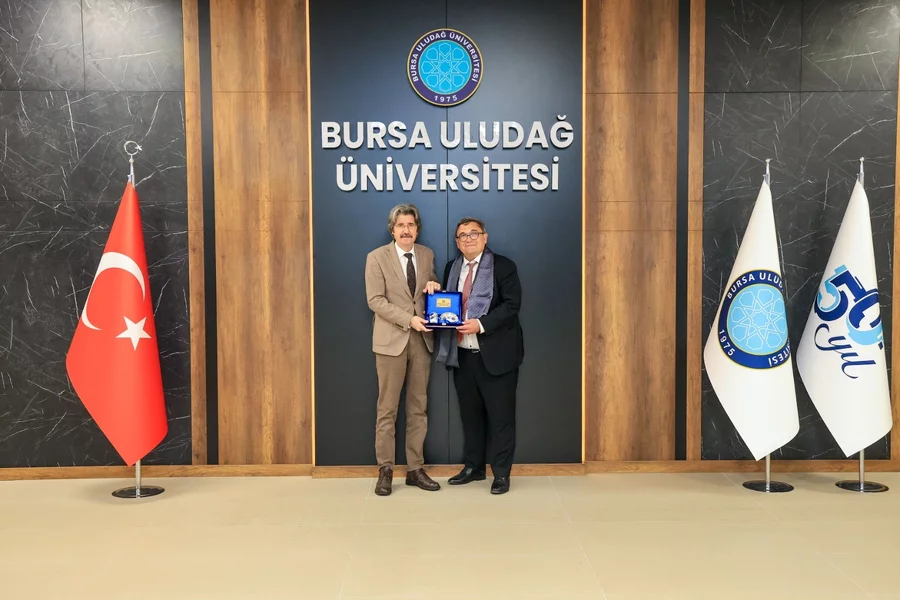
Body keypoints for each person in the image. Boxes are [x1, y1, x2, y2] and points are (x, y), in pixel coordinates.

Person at [435, 217, 524, 495]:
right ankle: (474, 467)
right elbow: (446, 303)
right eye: (462, 235)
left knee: (501, 418)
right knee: (470, 417)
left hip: (497, 356)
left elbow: (512, 305)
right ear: (457, 242)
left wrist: (481, 324)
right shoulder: (451, 268)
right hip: (462, 355)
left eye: (474, 233)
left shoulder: (504, 266)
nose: (468, 239)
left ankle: (501, 474)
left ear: (485, 237)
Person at [364, 203, 442, 496]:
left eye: (410, 225)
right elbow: (375, 300)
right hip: (390, 342)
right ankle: (385, 469)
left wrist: (434, 286)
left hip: (422, 341)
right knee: (387, 409)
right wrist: (408, 319)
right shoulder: (376, 257)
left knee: (418, 407)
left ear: (417, 229)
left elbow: (429, 288)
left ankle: (415, 469)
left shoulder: (426, 254)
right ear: (392, 230)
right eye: (400, 226)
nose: (406, 230)